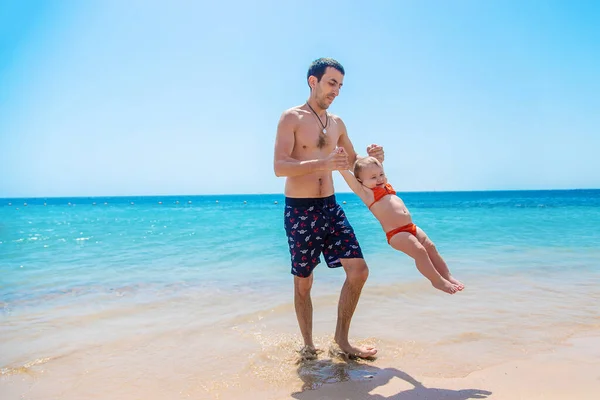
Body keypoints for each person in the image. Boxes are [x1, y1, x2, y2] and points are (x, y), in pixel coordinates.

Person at [273, 57, 383, 360]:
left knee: (359, 271)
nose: (336, 90)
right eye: (331, 83)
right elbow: (280, 166)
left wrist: (374, 159)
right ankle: (308, 345)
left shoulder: (337, 123)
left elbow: (353, 161)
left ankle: (342, 340)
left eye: (340, 85)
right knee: (304, 283)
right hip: (300, 211)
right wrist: (322, 163)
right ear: (314, 81)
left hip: (331, 207)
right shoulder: (291, 118)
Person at [338, 154, 465, 294]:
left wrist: (376, 159)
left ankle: (448, 276)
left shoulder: (385, 186)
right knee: (420, 251)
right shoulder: (366, 193)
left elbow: (376, 166)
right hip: (396, 233)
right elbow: (350, 179)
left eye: (381, 174)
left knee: (431, 247)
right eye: (373, 177)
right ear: (360, 181)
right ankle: (437, 281)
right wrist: (341, 167)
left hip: (411, 227)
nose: (379, 179)